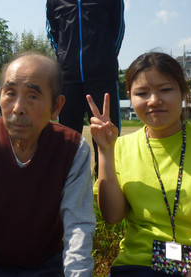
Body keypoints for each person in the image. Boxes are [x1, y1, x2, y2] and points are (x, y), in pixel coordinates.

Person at [87, 52, 191, 276]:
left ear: (183, 91)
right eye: (142, 93)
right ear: (129, 96)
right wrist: (105, 151)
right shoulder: (122, 147)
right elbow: (112, 216)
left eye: (165, 90)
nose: (154, 100)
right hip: (138, 266)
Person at [0, 52, 96, 276]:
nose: (18, 108)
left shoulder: (71, 147)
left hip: (44, 264)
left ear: (56, 106)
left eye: (32, 96)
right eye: (10, 93)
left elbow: (78, 226)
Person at [46, 0, 125, 174]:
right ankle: (68, 185)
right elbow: (52, 32)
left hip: (102, 77)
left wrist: (106, 59)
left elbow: (118, 30)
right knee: (66, 138)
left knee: (106, 134)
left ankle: (105, 186)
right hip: (67, 78)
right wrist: (64, 58)